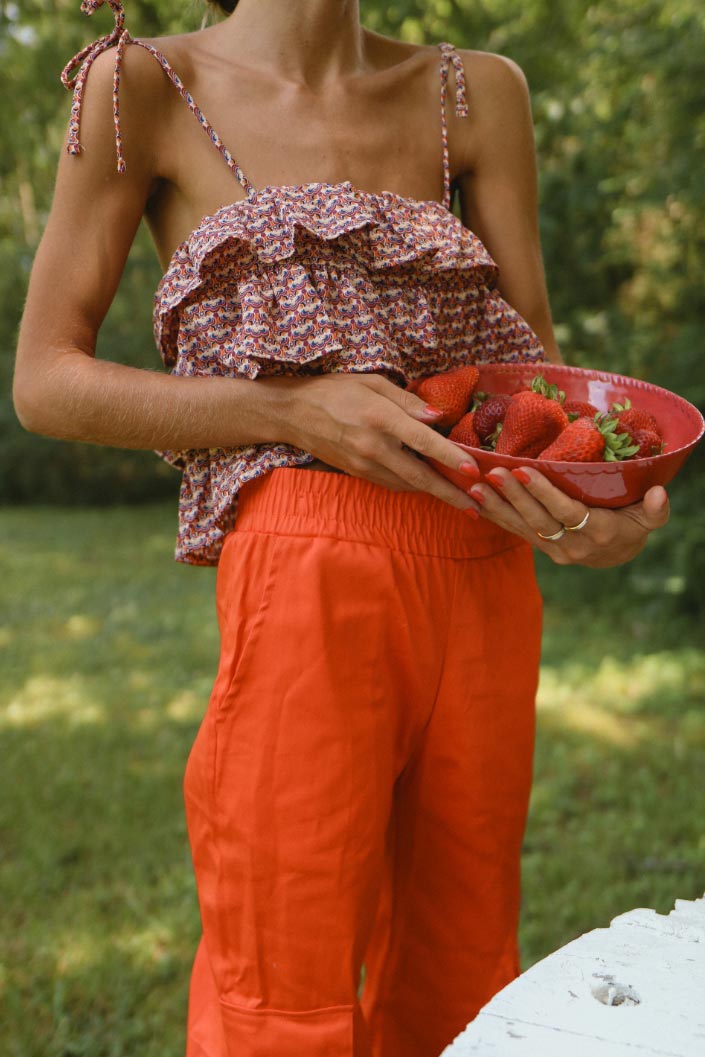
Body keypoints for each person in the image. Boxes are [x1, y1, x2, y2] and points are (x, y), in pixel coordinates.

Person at [12, 1, 670, 1054]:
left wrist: (583, 514)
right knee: (284, 978)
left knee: (466, 970)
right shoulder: (140, 86)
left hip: (486, 569)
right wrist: (286, 408)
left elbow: (531, 383)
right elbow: (46, 381)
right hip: (303, 563)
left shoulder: (478, 92)